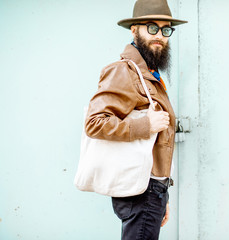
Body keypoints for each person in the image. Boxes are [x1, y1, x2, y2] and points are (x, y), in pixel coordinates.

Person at [84, 0, 187, 239]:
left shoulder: (150, 74)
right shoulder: (124, 71)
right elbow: (95, 122)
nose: (159, 35)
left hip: (152, 190)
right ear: (134, 30)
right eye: (152, 27)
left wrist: (163, 194)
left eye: (165, 29)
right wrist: (146, 125)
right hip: (140, 190)